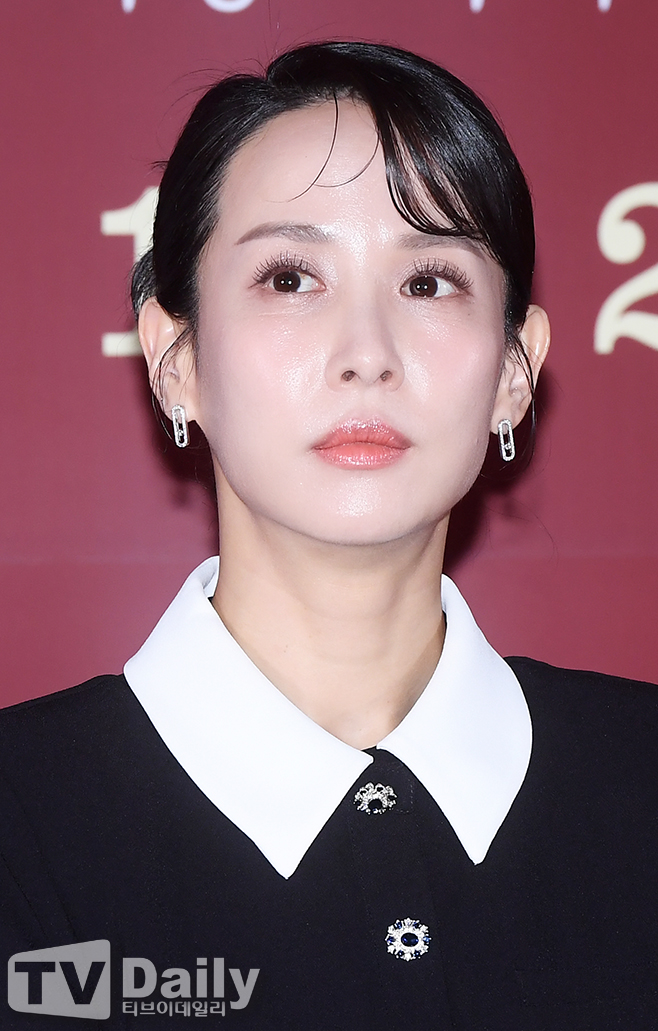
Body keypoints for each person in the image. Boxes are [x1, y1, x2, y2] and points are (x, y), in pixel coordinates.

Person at [1, 40, 658, 1030]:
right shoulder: (22, 823)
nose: (366, 354)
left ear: (514, 371)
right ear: (176, 358)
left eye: (428, 281)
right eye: (290, 277)